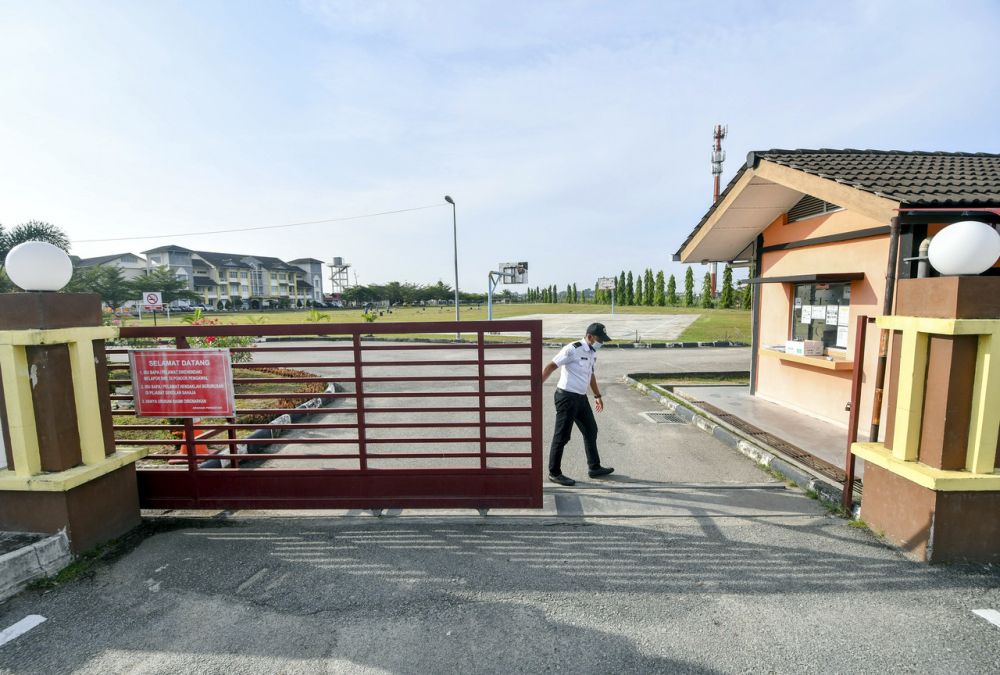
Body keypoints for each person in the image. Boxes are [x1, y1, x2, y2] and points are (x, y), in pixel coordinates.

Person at [540, 322, 614, 486]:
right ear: (589, 336)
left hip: (581, 398)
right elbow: (551, 366)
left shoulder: (592, 352)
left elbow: (591, 374)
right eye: (599, 339)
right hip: (566, 397)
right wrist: (536, 386)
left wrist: (597, 395)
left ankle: (594, 467)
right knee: (562, 436)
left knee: (591, 430)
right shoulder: (573, 349)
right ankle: (554, 472)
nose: (601, 343)